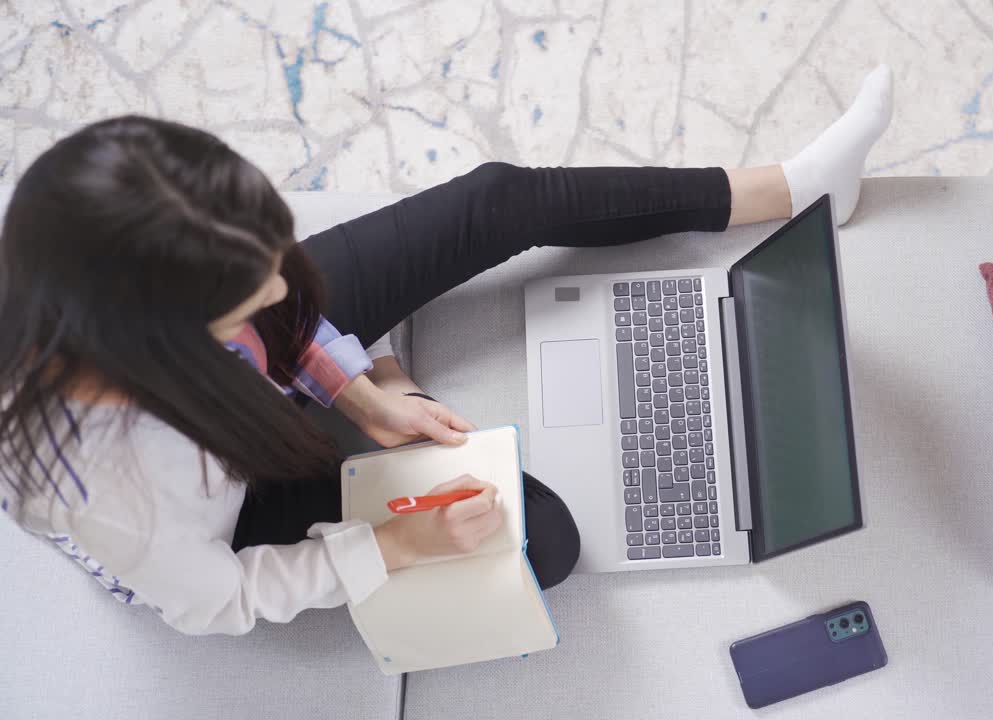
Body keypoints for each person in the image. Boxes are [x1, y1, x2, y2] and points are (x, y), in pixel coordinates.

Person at [0, 66, 892, 636]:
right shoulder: (117, 494)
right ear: (162, 338)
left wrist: (356, 387)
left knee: (496, 199)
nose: (283, 289)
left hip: (231, 382)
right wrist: (398, 546)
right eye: (253, 290)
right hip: (229, 510)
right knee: (540, 539)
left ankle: (798, 185)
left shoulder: (104, 257)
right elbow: (214, 602)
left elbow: (279, 322)